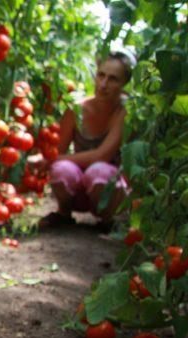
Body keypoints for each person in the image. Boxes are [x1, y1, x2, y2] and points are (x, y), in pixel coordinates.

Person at [37, 50, 135, 230]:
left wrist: (49, 160)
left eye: (113, 79)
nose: (103, 84)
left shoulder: (126, 112)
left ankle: (108, 221)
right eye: (101, 75)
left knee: (99, 172)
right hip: (78, 191)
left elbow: (102, 156)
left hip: (107, 192)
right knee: (61, 170)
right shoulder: (76, 109)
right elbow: (59, 152)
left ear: (124, 83)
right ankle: (63, 214)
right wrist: (49, 160)